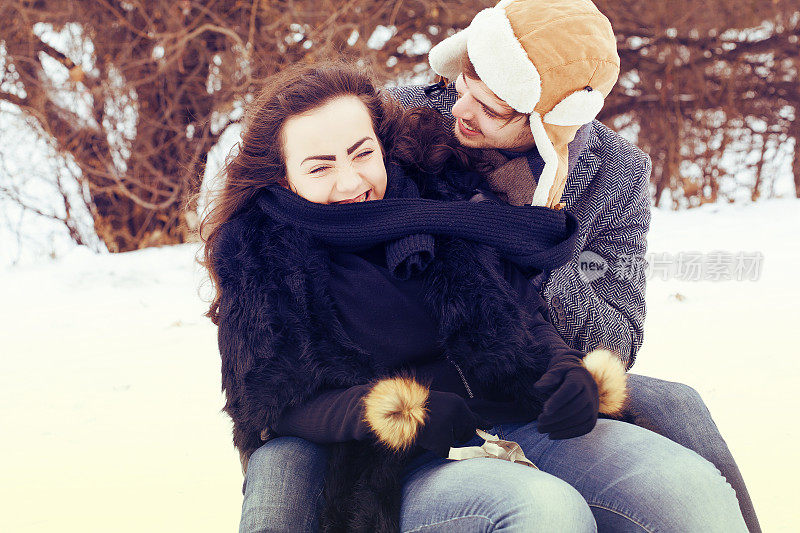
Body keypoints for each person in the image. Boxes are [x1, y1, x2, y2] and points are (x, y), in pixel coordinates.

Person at [201, 60, 747, 532]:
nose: (350, 183)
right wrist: (396, 414)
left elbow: (522, 312)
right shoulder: (259, 249)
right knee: (545, 510)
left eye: (361, 153)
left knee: (685, 487)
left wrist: (565, 373)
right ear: (284, 175)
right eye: (319, 167)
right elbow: (272, 404)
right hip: (398, 467)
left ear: (382, 144)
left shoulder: (443, 202)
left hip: (517, 418)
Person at [384, 1, 761, 531]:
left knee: (681, 425)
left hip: (534, 382)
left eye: (491, 108)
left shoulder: (613, 174)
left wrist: (536, 262)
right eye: (462, 84)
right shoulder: (397, 121)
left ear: (551, 119)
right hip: (421, 389)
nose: (461, 110)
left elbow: (621, 330)